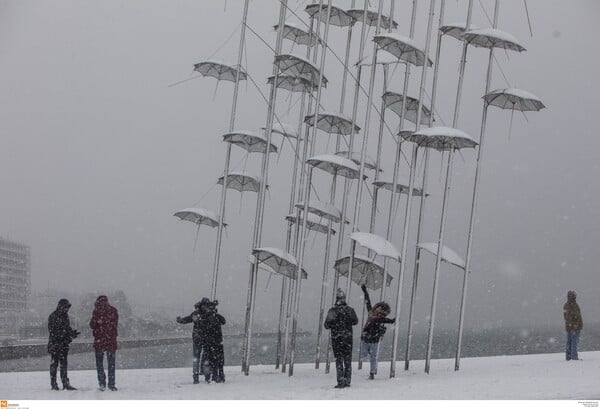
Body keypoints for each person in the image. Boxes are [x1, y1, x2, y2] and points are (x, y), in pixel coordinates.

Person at [324, 288, 358, 388]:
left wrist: (334, 324)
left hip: (336, 339)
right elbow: (355, 321)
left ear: (336, 299)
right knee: (348, 360)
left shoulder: (332, 311)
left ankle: (340, 381)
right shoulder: (350, 310)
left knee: (339, 360)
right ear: (344, 298)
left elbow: (326, 325)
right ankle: (347, 380)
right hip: (348, 338)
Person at [360, 284, 395, 380]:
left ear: (383, 310)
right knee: (363, 354)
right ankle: (373, 367)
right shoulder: (370, 313)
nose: (378, 309)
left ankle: (372, 373)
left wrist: (393, 320)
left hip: (374, 340)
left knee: (373, 357)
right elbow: (367, 301)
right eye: (378, 307)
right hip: (365, 338)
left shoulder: (381, 318)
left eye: (381, 308)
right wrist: (365, 291)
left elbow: (388, 321)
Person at [47, 298, 80, 391]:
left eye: (67, 308)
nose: (67, 309)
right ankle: (55, 384)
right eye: (66, 307)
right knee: (56, 364)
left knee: (62, 364)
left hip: (61, 344)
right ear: (61, 307)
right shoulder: (53, 316)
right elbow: (53, 331)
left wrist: (72, 333)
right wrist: (66, 335)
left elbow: (66, 328)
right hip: (56, 344)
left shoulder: (64, 316)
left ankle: (64, 383)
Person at [89, 295, 119, 391]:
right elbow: (115, 325)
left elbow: (92, 325)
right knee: (111, 364)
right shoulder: (113, 310)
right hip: (111, 340)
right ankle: (111, 384)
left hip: (99, 340)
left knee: (99, 363)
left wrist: (98, 324)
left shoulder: (97, 311)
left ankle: (102, 383)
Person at [177, 298, 209, 384]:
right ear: (202, 305)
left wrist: (181, 320)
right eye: (204, 305)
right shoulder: (200, 314)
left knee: (200, 359)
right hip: (201, 340)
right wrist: (181, 320)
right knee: (200, 359)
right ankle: (199, 377)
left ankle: (202, 377)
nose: (205, 307)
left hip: (200, 339)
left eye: (206, 305)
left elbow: (188, 319)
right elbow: (188, 319)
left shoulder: (198, 314)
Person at [199, 299, 226, 383]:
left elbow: (203, 327)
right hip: (216, 342)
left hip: (210, 342)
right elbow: (223, 321)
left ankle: (211, 377)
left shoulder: (205, 317)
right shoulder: (214, 316)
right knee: (218, 360)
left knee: (210, 360)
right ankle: (219, 375)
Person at [563, 290, 583, 361]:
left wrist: (570, 324)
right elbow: (576, 316)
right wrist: (576, 325)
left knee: (569, 342)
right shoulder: (573, 305)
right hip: (574, 327)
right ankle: (574, 357)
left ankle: (568, 357)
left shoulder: (566, 305)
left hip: (569, 327)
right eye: (574, 295)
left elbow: (566, 317)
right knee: (574, 342)